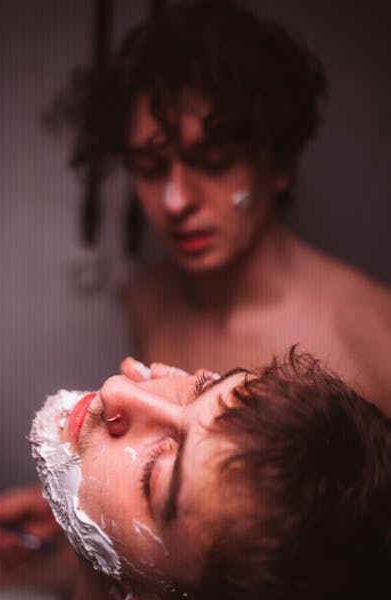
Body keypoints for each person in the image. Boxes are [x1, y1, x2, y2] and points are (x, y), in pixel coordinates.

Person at [21, 349, 391, 600]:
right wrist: (57, 548)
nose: (118, 389)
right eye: (201, 389)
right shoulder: (175, 587)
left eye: (152, 476)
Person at [59, 0, 391, 416]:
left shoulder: (376, 338)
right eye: (150, 167)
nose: (176, 201)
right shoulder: (148, 299)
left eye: (213, 162)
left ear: (280, 163)